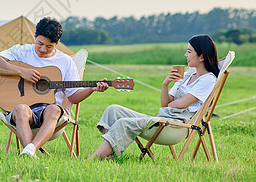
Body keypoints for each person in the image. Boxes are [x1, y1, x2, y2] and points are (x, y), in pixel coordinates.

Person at [0, 17, 109, 158]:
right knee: (21, 108)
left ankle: (29, 152)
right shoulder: (22, 51)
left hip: (50, 116)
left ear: (57, 43)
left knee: (54, 109)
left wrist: (91, 89)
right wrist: (21, 71)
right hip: (24, 112)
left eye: (49, 46)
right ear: (35, 36)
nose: (43, 49)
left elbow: (73, 97)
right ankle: (30, 153)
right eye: (40, 43)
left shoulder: (65, 62)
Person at [88, 34, 219, 160]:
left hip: (174, 128)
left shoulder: (208, 80)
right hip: (162, 120)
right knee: (113, 110)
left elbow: (181, 104)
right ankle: (109, 156)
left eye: (189, 51)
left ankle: (92, 160)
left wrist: (173, 103)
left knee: (123, 122)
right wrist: (165, 84)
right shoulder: (187, 75)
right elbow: (165, 104)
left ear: (201, 57)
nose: (186, 55)